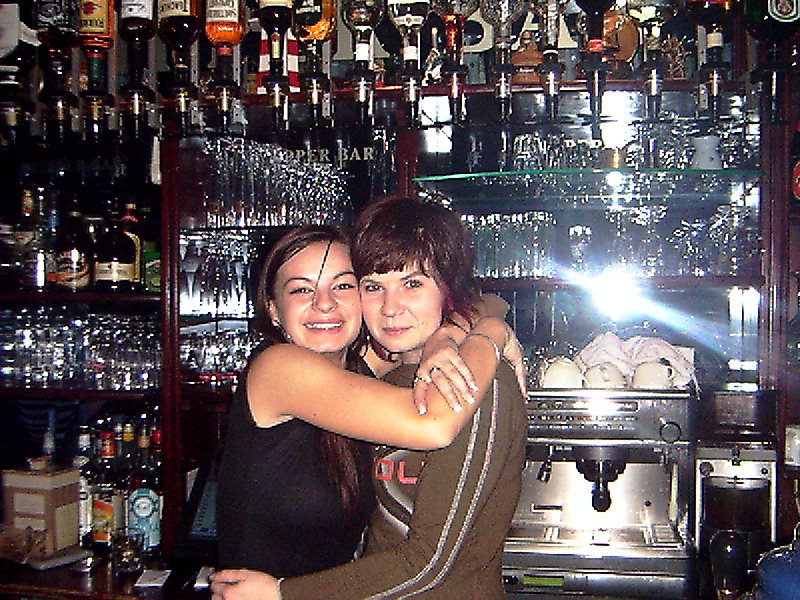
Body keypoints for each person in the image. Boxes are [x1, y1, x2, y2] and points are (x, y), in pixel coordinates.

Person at [211, 196, 527, 600]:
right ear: (273, 311)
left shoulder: (367, 367)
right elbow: (433, 425)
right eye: (301, 289)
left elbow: (481, 300)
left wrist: (452, 331)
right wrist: (489, 335)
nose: (324, 303)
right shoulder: (278, 368)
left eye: (343, 285)